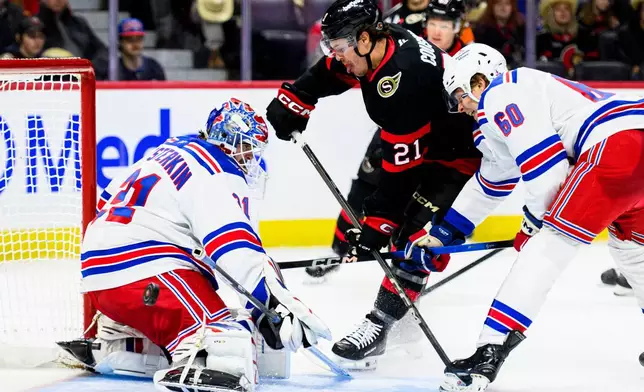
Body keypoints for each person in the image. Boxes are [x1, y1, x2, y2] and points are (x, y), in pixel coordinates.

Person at [406, 43, 644, 391]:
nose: (459, 106)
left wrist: (532, 225)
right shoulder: (513, 105)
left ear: (478, 80)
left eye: (459, 94)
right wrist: (445, 233)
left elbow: (548, 175)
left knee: (546, 248)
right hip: (635, 146)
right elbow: (492, 181)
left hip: (615, 148)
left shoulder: (502, 92)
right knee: (634, 254)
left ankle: (488, 354)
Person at [265, 0, 480, 369]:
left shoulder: (402, 80)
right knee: (388, 218)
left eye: (341, 47)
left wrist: (380, 220)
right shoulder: (379, 45)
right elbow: (335, 71)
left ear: (364, 38)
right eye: (332, 47)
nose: (337, 56)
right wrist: (299, 96)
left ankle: (380, 326)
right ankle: (405, 320)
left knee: (415, 238)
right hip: (425, 140)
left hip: (457, 157)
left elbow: (402, 173)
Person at [62, 99, 330, 392]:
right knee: (229, 341)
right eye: (246, 146)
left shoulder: (169, 150)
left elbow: (107, 203)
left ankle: (120, 343)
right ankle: (198, 364)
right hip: (147, 274)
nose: (250, 157)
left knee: (226, 329)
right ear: (226, 140)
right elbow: (233, 243)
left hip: (100, 278)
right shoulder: (214, 169)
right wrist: (272, 305)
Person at [38, 0, 108, 79]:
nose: (58, 0)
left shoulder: (79, 23)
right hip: (49, 81)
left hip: (83, 79)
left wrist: (90, 69)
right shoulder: (36, 26)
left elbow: (102, 51)